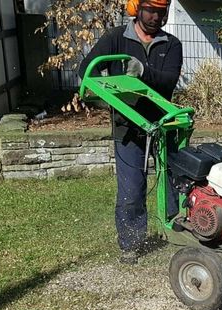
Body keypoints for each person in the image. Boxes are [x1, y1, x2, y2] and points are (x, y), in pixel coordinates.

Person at [78, 0, 183, 265]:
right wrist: (107, 95)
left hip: (163, 123)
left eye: (162, 11)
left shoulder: (171, 44)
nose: (156, 16)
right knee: (132, 188)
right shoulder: (115, 39)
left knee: (172, 184)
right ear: (136, 8)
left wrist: (143, 72)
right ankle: (131, 243)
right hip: (127, 127)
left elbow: (168, 81)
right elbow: (86, 69)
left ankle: (176, 235)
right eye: (150, 10)